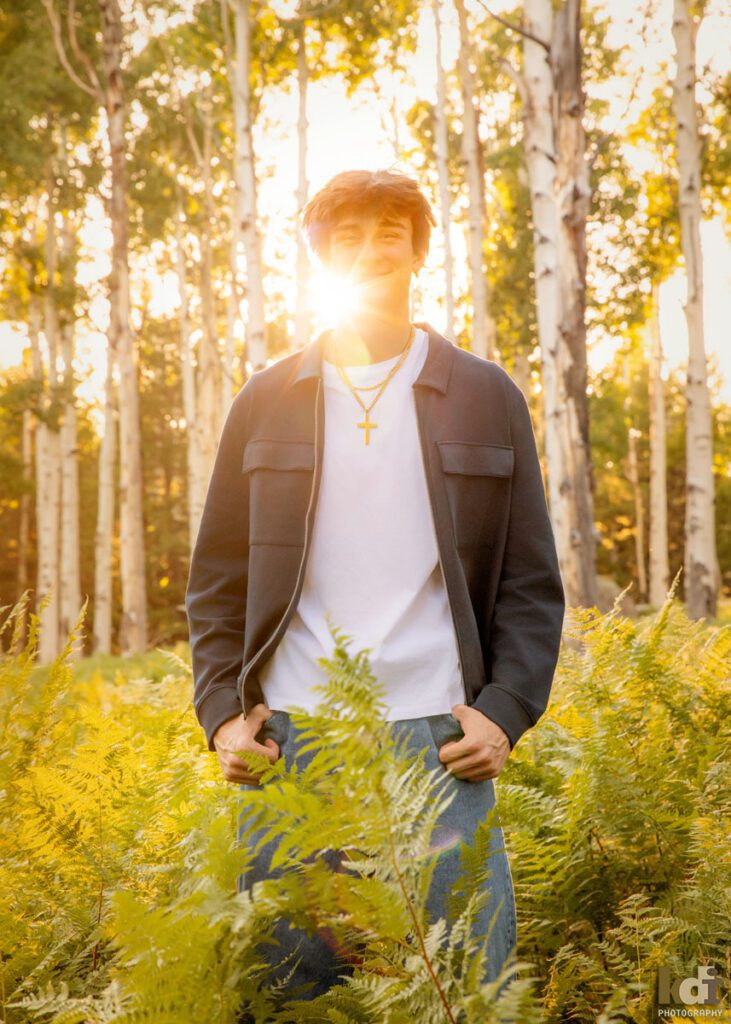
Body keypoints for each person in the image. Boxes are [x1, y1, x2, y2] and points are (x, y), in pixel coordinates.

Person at [185, 168, 565, 1007]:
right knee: (294, 997)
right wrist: (221, 717)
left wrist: (503, 713)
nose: (370, 249)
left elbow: (531, 585)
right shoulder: (265, 400)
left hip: (439, 742)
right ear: (322, 255)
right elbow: (215, 582)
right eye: (348, 235)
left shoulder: (485, 395)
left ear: (418, 251)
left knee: (459, 992)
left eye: (390, 231)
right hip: (289, 744)